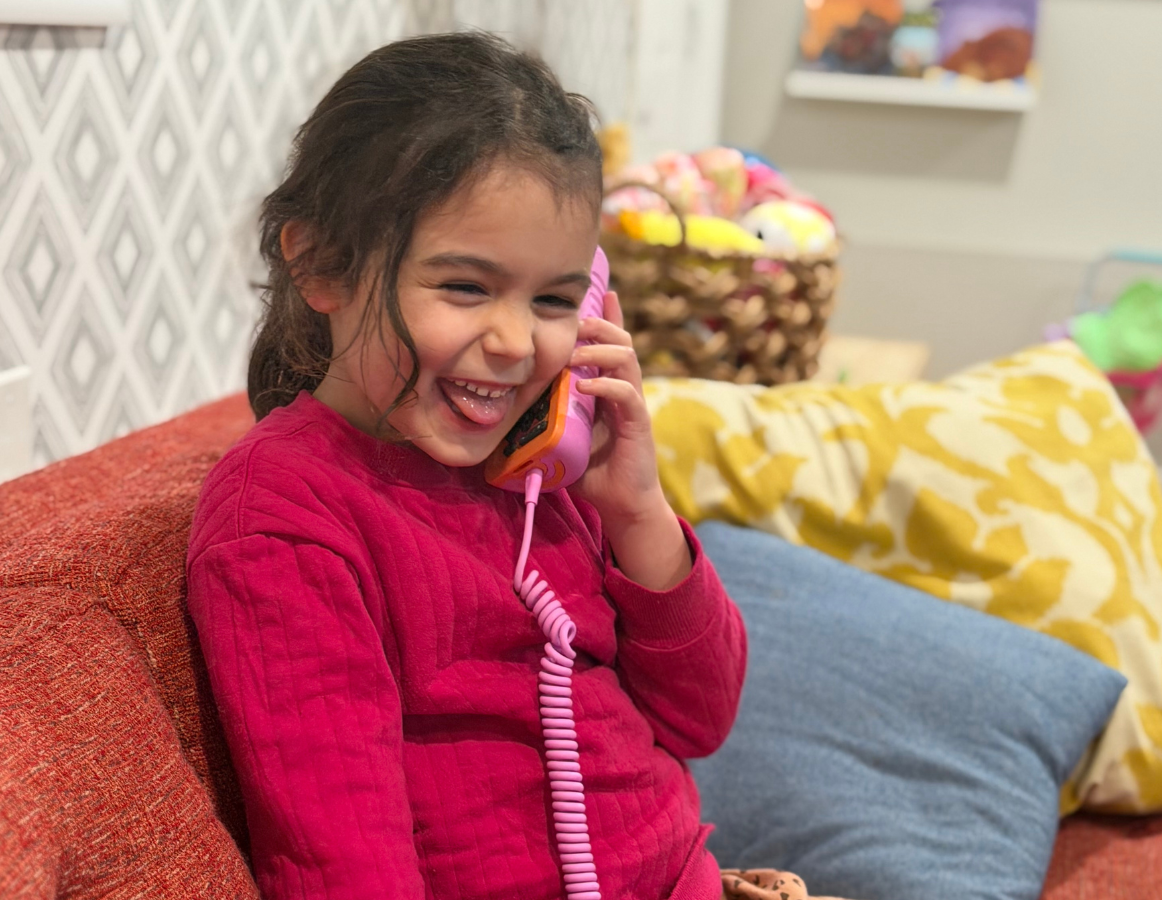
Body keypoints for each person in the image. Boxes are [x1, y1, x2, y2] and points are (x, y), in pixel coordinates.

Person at [187, 32, 832, 900]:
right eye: (465, 287)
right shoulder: (287, 516)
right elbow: (345, 869)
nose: (517, 342)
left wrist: (638, 509)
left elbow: (701, 716)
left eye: (557, 300)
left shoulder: (544, 478)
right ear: (321, 266)